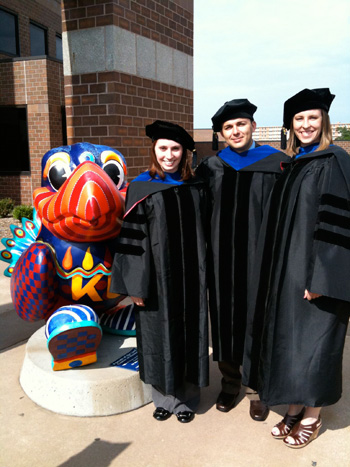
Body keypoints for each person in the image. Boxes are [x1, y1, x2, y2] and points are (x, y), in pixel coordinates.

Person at [243, 88, 350, 448]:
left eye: (312, 118)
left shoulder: (333, 160)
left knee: (316, 343)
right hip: (287, 272)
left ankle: (312, 414)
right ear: (291, 125)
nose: (305, 125)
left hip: (317, 274)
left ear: (324, 122)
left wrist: (322, 276)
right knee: (290, 342)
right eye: (299, 119)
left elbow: (337, 225)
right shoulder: (293, 163)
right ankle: (293, 405)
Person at [196, 99, 289, 421]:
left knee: (257, 323)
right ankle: (230, 382)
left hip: (261, 262)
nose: (235, 131)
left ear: (252, 126)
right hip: (222, 263)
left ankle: (256, 389)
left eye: (240, 124)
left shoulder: (277, 163)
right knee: (224, 324)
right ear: (221, 134)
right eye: (228, 127)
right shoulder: (211, 167)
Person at [110, 120, 209, 423]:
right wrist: (136, 286)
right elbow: (132, 239)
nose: (169, 154)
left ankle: (187, 399)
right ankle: (163, 398)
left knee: (190, 333)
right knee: (158, 334)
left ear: (184, 152)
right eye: (163, 148)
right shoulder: (141, 187)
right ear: (153, 150)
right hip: (157, 281)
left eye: (175, 148)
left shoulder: (196, 185)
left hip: (192, 277)